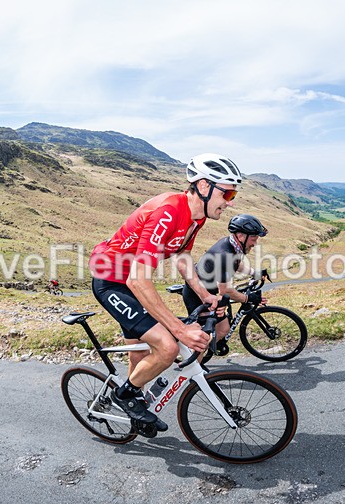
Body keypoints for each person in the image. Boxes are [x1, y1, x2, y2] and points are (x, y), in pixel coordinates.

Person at [89, 153, 241, 431]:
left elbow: (182, 255)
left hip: (131, 280)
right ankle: (124, 396)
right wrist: (180, 331)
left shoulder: (197, 218)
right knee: (168, 346)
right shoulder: (169, 211)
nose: (229, 202)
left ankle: (134, 404)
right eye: (227, 193)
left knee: (141, 349)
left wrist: (205, 295)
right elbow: (138, 281)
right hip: (110, 280)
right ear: (204, 187)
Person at [182, 214, 269, 355]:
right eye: (254, 239)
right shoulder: (225, 255)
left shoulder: (232, 245)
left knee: (223, 328)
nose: (255, 243)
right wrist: (249, 298)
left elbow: (237, 264)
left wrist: (254, 273)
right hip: (198, 295)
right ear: (241, 236)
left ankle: (202, 355)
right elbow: (226, 291)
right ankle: (193, 366)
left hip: (209, 291)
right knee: (204, 337)